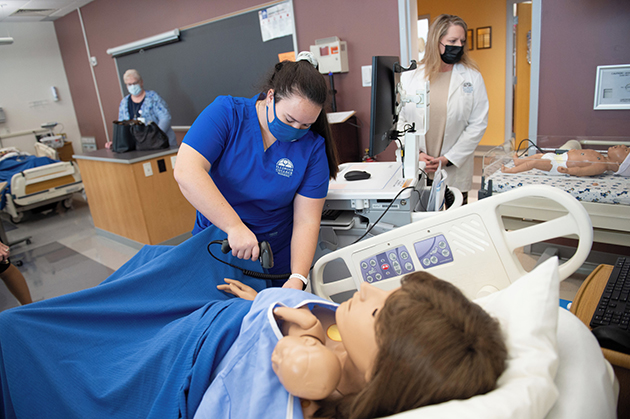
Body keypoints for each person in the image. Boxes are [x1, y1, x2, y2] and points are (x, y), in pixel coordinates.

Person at [0, 229, 506, 418]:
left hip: (189, 352)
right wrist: (259, 301)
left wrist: (295, 337)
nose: (367, 290)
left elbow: (269, 373)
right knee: (169, 256)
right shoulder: (350, 340)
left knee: (40, 343)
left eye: (376, 308)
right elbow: (296, 316)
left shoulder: (319, 378)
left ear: (388, 367)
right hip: (226, 312)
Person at [174, 52, 339, 290]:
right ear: (271, 96)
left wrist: (298, 278)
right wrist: (234, 226)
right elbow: (186, 170)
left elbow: (306, 220)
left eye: (305, 125)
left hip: (273, 254)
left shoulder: (312, 148)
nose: (296, 130)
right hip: (219, 244)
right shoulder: (227, 114)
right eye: (289, 119)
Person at [397, 14, 489, 204]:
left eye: (462, 41)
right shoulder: (411, 76)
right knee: (425, 222)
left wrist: (448, 158)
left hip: (454, 166)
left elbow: (478, 123)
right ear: (436, 42)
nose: (458, 46)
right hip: (420, 164)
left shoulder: (472, 77)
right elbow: (400, 120)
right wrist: (415, 153)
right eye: (452, 41)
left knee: (457, 219)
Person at [108, 69, 177, 148]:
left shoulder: (153, 98)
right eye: (129, 84)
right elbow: (122, 126)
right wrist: (117, 141)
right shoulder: (124, 103)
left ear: (141, 82)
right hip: (137, 147)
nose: (132, 86)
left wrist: (155, 136)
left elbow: (165, 118)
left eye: (135, 83)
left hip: (159, 144)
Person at [501, 145, 630, 176]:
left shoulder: (601, 165)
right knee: (537, 156)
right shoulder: (600, 156)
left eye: (626, 150)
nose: (622, 146)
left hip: (559, 165)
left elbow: (583, 171)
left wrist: (569, 170)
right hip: (560, 158)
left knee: (534, 163)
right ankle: (518, 162)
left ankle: (511, 170)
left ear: (619, 164)